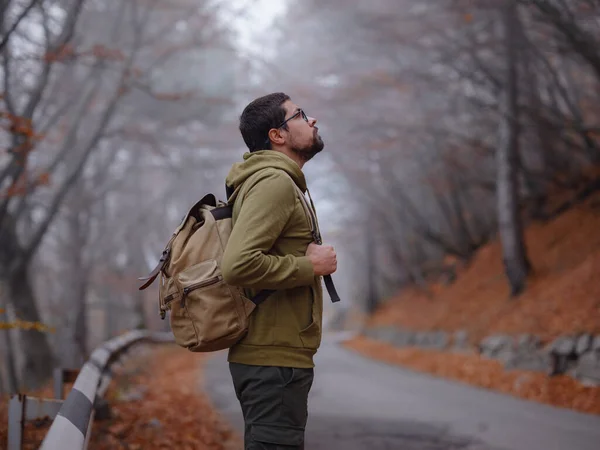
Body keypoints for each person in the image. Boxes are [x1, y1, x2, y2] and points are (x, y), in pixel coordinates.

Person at [221, 92, 338, 449]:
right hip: (272, 360)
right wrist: (309, 266)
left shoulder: (278, 182)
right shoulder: (273, 183)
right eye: (300, 115)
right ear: (278, 135)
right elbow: (238, 264)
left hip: (275, 357)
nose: (312, 119)